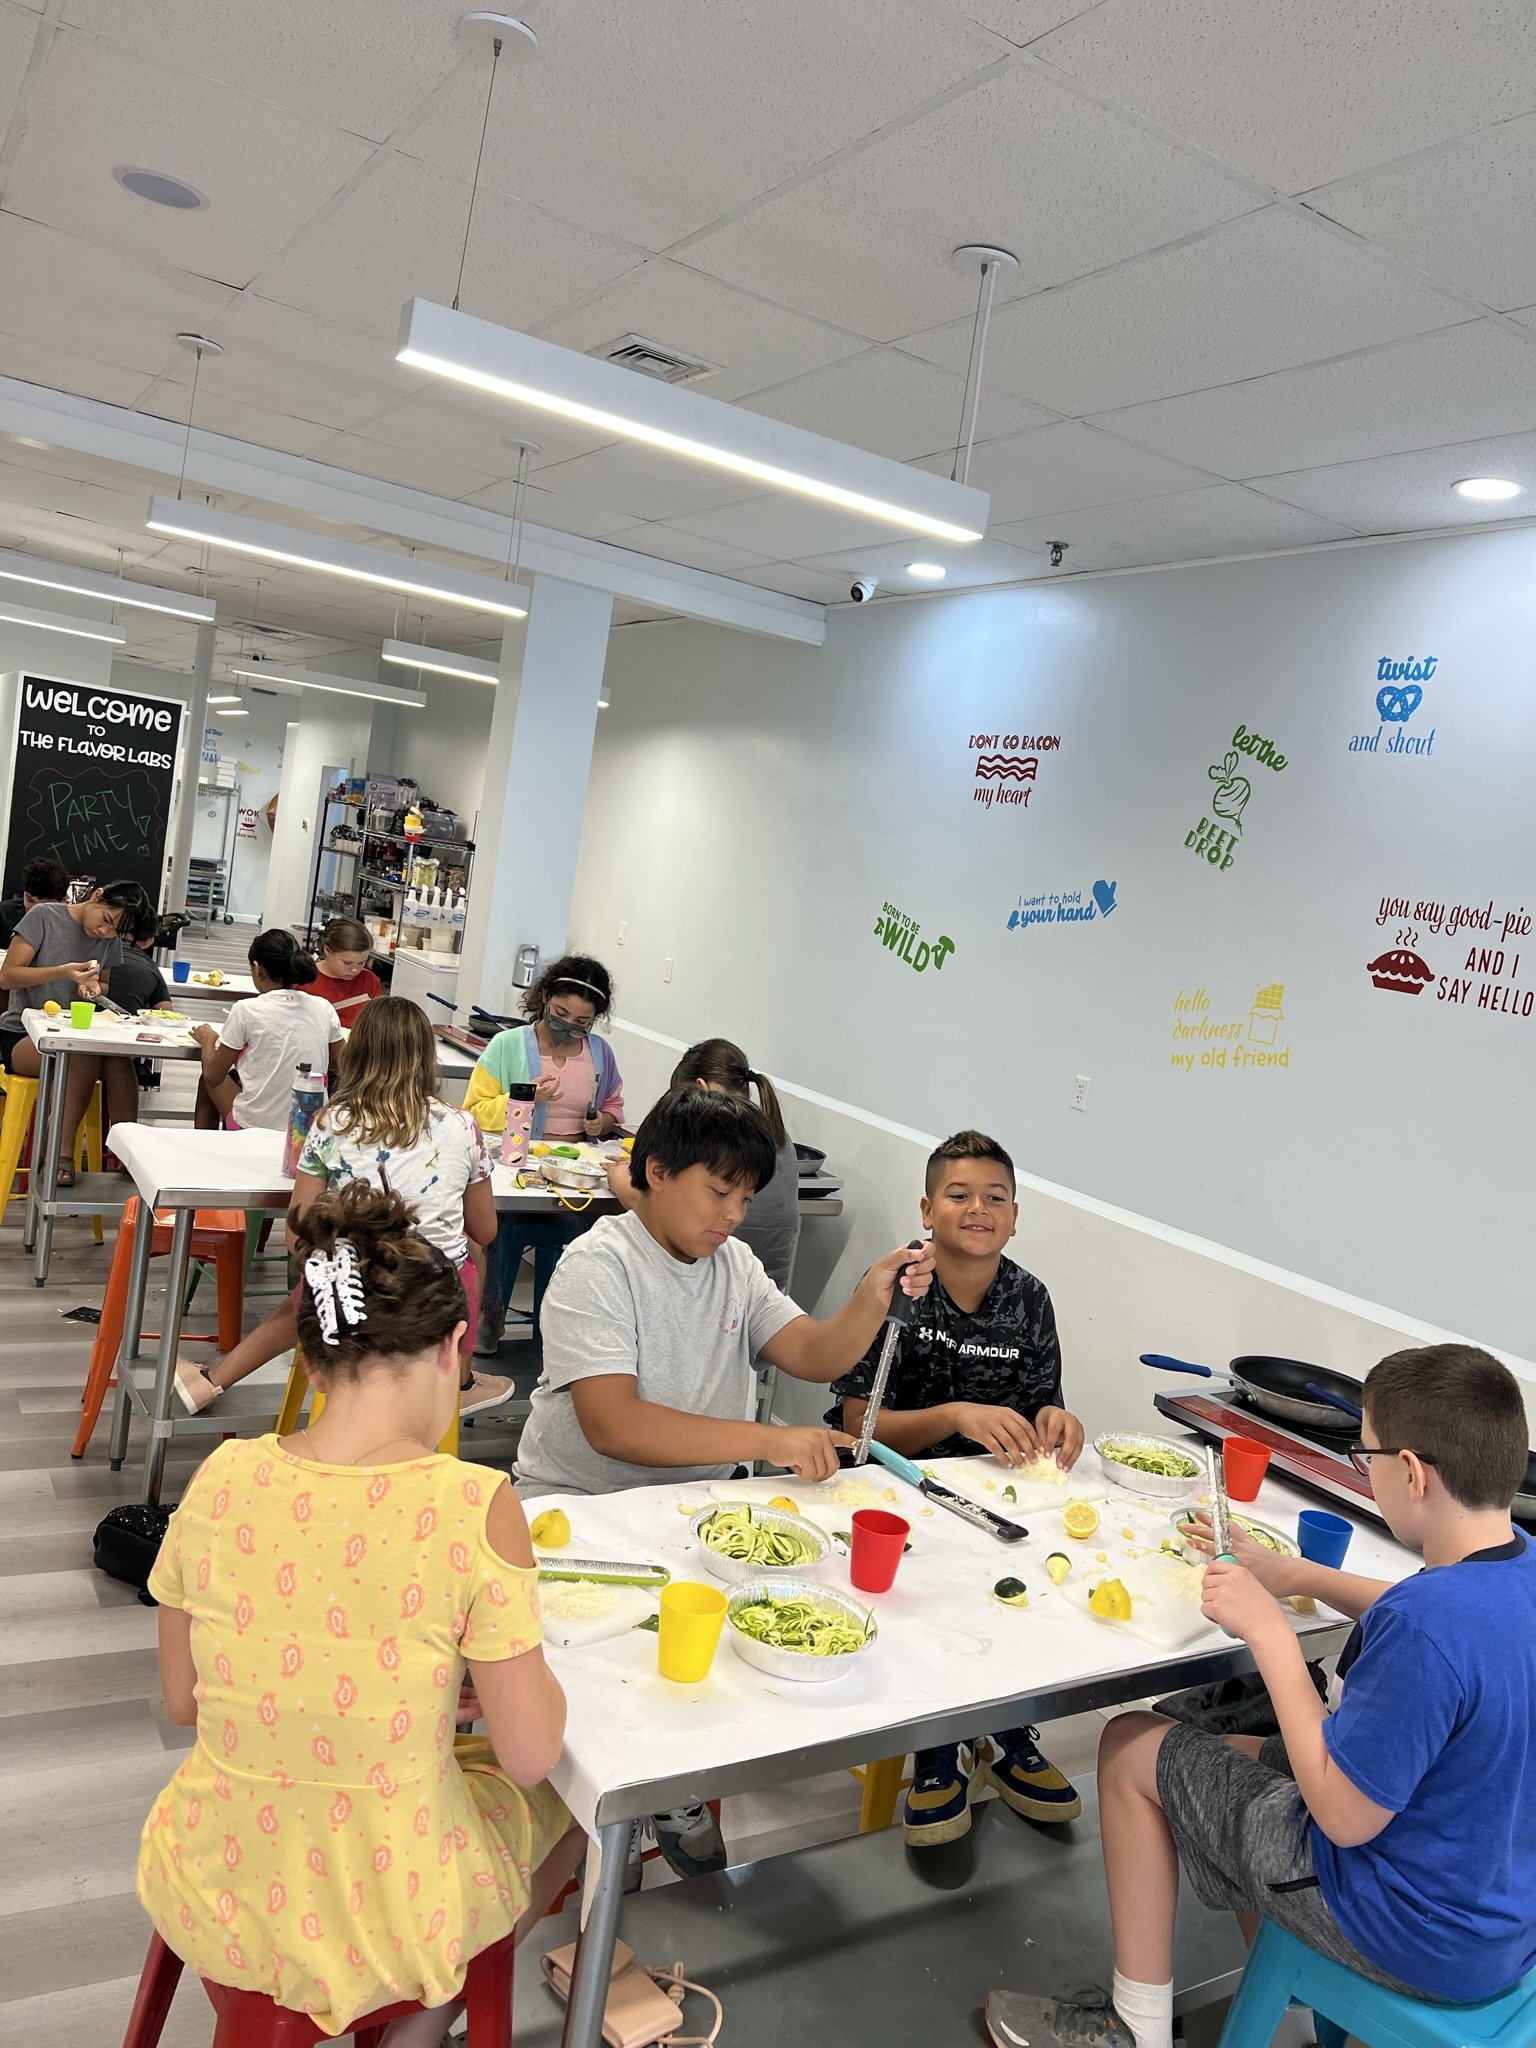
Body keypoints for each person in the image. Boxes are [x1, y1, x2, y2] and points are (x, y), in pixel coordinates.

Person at [987, 1343, 1536, 2048]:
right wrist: (1293, 1575)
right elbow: (1428, 1609)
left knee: (1129, 1746)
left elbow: (1342, 1817)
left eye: (1365, 1457)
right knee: (1232, 1751)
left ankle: (1135, 2029)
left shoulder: (1425, 1629)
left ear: (1410, 1473)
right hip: (1500, 1919)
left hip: (1404, 1926)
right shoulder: (1513, 1566)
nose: (1364, 1473)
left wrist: (1268, 1629)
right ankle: (1290, 2009)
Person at [139, 1180, 581, 2043]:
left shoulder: (224, 1475)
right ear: (454, 1348)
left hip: (213, 1880)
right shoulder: (474, 1502)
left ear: (309, 1362)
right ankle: (421, 2027)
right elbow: (531, 1754)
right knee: (569, 1814)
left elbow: (186, 1700)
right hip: (392, 1911)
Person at [515, 1084, 935, 1882]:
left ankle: (666, 1785)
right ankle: (593, 1815)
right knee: (611, 1675)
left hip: (693, 1515)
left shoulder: (733, 1265)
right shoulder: (599, 1265)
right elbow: (614, 1425)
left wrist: (869, 1296)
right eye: (719, 1192)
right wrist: (769, 1440)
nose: (734, 1215)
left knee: (712, 1662)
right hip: (581, 1514)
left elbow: (811, 1352)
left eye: (745, 1198)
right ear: (657, 1172)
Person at [828, 1128, 1086, 1847]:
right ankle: (938, 1742)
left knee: (1032, 1576)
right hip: (886, 1491)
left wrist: (1058, 1422)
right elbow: (855, 1425)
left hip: (988, 1495)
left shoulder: (1029, 1299)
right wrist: (952, 1416)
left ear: (1015, 1215)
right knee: (934, 1585)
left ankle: (1004, 1729)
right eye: (959, 1195)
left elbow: (1042, 1409)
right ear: (926, 1209)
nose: (979, 1210)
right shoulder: (899, 1288)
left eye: (996, 1198)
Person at [175, 997, 511, 1421]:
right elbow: (485, 1229)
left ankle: (213, 1378)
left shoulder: (330, 1121)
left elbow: (297, 1234)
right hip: (432, 1294)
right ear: (428, 1058)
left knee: (319, 1280)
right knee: (468, 1252)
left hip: (350, 1291)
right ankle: (459, 1379)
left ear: (355, 1053)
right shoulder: (461, 1125)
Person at [465, 954, 626, 1356]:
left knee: (606, 1228)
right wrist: (524, 1100)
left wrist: (603, 1122)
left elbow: (614, 1104)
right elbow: (474, 1111)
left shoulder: (600, 1053)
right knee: (494, 1225)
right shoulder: (507, 1046)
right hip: (516, 1163)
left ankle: (574, 1324)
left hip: (576, 1171)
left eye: (582, 1021)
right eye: (560, 1013)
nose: (568, 1026)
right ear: (544, 998)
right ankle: (491, 1311)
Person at [603, 1038, 801, 1290]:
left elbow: (651, 1207)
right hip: (771, 1285)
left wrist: (620, 1177)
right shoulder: (775, 1136)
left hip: (727, 1286)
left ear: (700, 1091)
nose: (736, 1215)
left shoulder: (722, 1140)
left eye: (746, 1199)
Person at [0, 878, 153, 1182]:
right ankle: (60, 1153)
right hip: (23, 1034)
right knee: (82, 1056)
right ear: (97, 896)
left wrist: (95, 986)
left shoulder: (108, 939)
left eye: (114, 931)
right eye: (105, 920)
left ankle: (128, 1153)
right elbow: (7, 976)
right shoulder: (44, 916)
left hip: (74, 1033)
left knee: (119, 1060)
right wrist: (61, 972)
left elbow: (104, 983)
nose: (104, 932)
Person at [192, 929, 342, 1130]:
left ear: (257, 969)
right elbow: (342, 1065)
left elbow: (214, 1076)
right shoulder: (323, 1007)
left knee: (207, 1078)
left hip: (256, 1126)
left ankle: (204, 1145)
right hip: (308, 1127)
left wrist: (208, 1039)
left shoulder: (246, 1009)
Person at [299, 914, 384, 1025]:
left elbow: (378, 1023)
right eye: (347, 963)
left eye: (361, 963)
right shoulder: (305, 981)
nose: (355, 970)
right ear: (327, 950)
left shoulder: (369, 981)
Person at [0, 853, 69, 948]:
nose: (34, 910)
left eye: (43, 907)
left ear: (63, 900)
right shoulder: (3, 914)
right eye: (29, 900)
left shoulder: (70, 924)